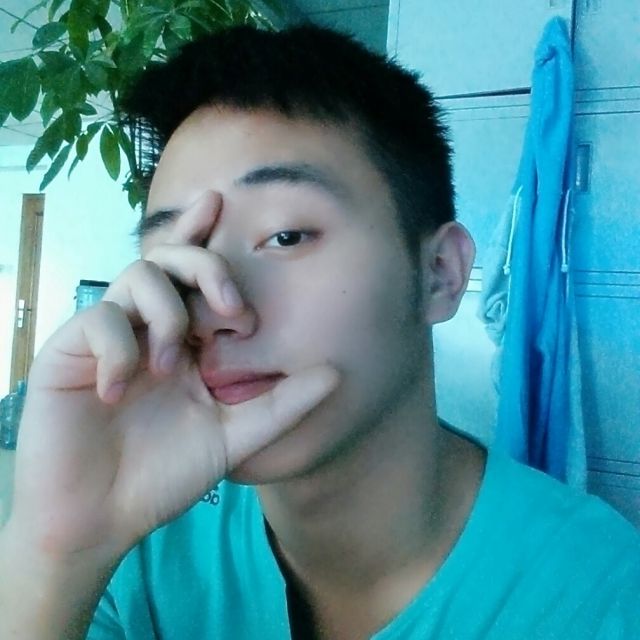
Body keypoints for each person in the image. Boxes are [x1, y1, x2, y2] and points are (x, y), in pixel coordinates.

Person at [0, 24, 639, 640]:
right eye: (180, 256)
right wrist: (52, 551)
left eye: (285, 236)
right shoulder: (133, 551)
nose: (211, 307)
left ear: (440, 274)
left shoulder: (603, 599)